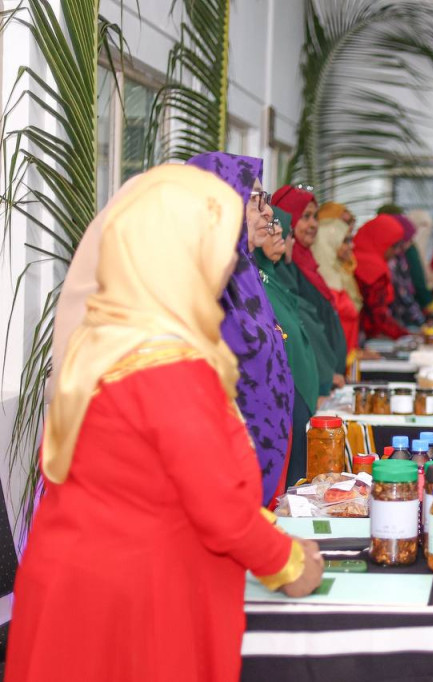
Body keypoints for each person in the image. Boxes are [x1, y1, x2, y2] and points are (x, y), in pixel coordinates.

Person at [6, 164, 323, 682]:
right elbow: (218, 506)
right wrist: (290, 563)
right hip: (131, 605)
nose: (228, 260)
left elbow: (156, 480)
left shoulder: (107, 336)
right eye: (215, 243)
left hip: (82, 589)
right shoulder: (164, 364)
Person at [188, 152, 294, 505]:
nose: (268, 212)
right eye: (255, 199)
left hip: (262, 459)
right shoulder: (203, 278)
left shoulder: (244, 270)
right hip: (224, 473)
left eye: (266, 199)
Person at [255, 210, 325, 488]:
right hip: (279, 402)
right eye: (270, 225)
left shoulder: (271, 278)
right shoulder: (253, 282)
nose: (279, 233)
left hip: (295, 398)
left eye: (280, 227)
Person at [272, 185, 356, 370]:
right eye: (305, 216)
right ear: (287, 218)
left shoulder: (309, 264)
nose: (314, 224)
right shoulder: (283, 269)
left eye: (315, 217)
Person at [310, 207, 359, 356]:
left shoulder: (340, 275)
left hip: (347, 358)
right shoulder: (320, 285)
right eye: (345, 241)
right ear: (329, 242)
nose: (352, 246)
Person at [353, 214, 410, 339]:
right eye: (393, 246)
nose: (396, 252)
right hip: (363, 336)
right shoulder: (372, 268)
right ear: (381, 241)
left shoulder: (357, 258)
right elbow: (378, 315)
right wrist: (403, 335)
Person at [319, 201, 363, 314]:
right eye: (343, 222)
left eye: (350, 221)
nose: (347, 227)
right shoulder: (321, 268)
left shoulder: (347, 262)